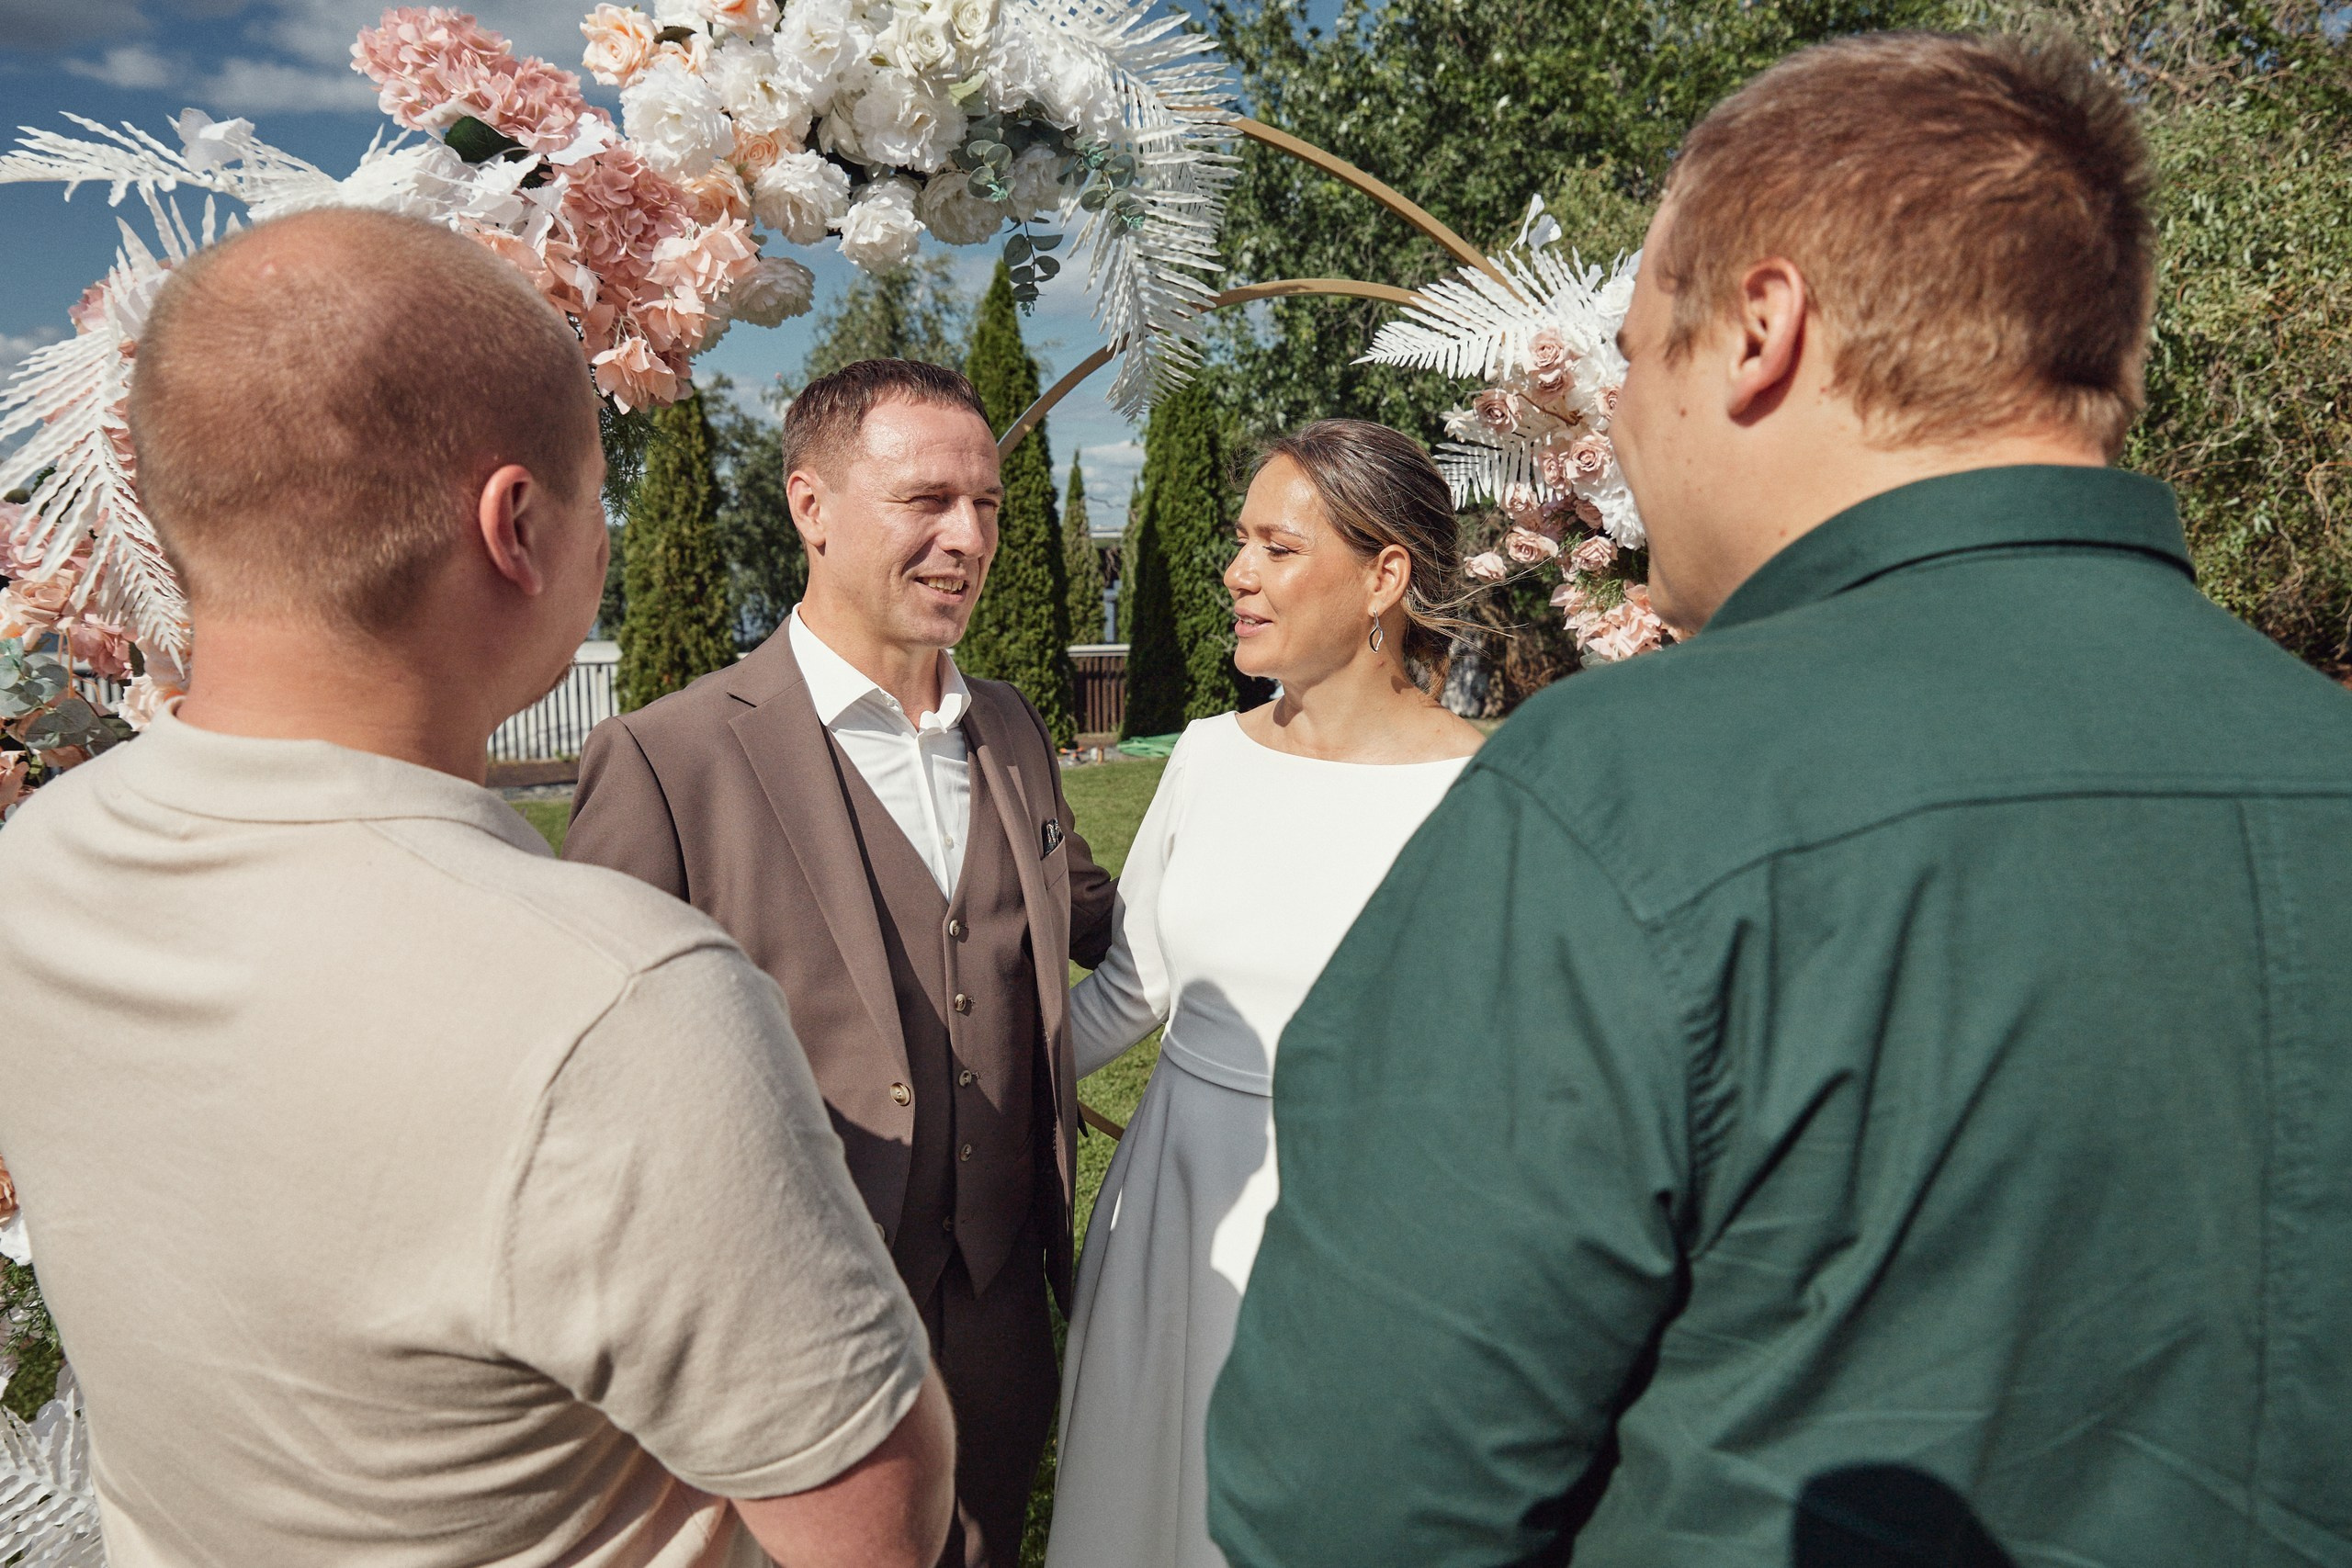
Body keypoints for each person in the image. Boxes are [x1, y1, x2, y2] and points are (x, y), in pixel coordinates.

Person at [1206, 32, 2352, 1566]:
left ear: (1761, 331)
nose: (1613, 418)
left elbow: (1355, 1501)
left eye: (1629, 353)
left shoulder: (1617, 796)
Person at [0, 209, 955, 1568]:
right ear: (516, 526)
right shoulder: (613, 1000)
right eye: (594, 496)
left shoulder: (39, 859)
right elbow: (865, 1516)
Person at [565, 358, 1117, 1568]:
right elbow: (591, 1096)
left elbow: (1091, 914)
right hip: (783, 1326)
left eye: (988, 506)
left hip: (1001, 1315)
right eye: (926, 500)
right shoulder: (669, 759)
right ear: (810, 506)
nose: (967, 538)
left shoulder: (1016, 728)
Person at [1046, 421, 1484, 1568]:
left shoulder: (1491, 789)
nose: (1236, 572)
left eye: (1277, 548)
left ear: (1384, 574)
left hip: (1363, 1249)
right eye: (1240, 542)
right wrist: (935, 1083)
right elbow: (1127, 994)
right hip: (1170, 1220)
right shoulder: (1203, 755)